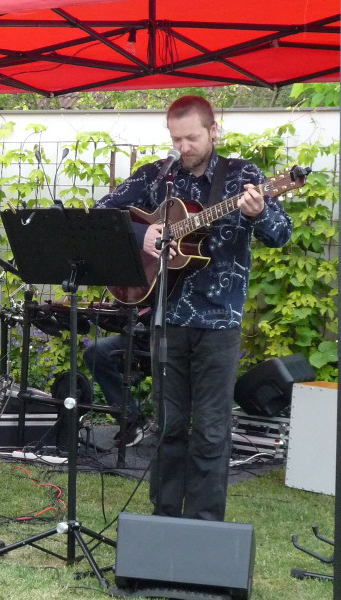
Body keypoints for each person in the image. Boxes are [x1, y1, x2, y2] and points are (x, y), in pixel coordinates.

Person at [95, 96, 292, 520]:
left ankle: (204, 523)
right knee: (168, 424)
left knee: (211, 428)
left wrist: (259, 213)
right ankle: (164, 516)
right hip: (166, 318)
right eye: (176, 139)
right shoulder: (156, 176)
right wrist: (143, 236)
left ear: (213, 131)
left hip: (220, 320)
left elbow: (281, 235)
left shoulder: (244, 176)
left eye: (192, 138)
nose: (183, 147)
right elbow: (101, 215)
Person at [82, 308, 151, 448]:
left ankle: (177, 434)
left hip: (171, 338)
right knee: (95, 352)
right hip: (137, 340)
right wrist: (102, 316)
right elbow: (122, 323)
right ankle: (132, 419)